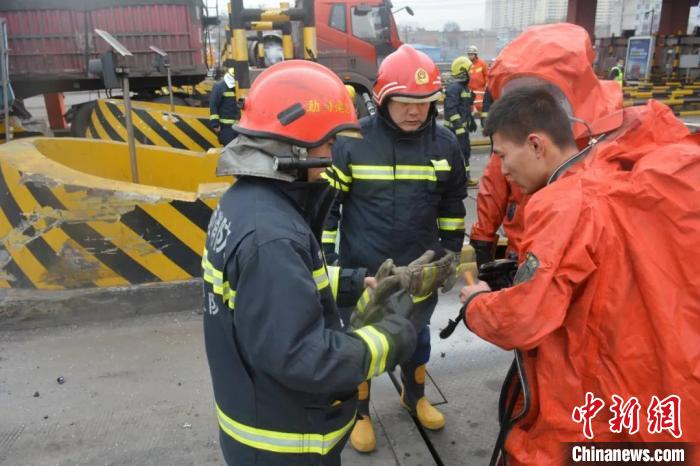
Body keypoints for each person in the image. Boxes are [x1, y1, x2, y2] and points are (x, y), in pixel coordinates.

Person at [459, 23, 700, 466]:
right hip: (667, 393)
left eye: (504, 156)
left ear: (537, 133)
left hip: (591, 402)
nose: (502, 171)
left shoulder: (571, 197)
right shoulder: (656, 156)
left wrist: (475, 304)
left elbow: (527, 316)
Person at [202, 60, 423, 466]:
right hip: (285, 445)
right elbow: (305, 358)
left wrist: (358, 282)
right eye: (328, 143)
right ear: (294, 146)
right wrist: (391, 338)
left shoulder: (249, 202)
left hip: (262, 418)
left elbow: (280, 289)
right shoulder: (271, 236)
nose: (334, 154)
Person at [323, 44, 467, 453]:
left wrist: (450, 253)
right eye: (404, 102)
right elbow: (330, 209)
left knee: (416, 336)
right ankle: (361, 413)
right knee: (361, 341)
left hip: (418, 267)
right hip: (363, 267)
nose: (414, 111)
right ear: (383, 98)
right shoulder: (352, 142)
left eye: (424, 102)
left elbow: (453, 204)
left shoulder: (445, 145)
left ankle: (414, 396)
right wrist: (331, 263)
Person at [444, 55, 479, 187]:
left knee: (465, 152)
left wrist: (470, 120)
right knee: (458, 154)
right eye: (469, 71)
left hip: (461, 130)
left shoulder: (464, 89)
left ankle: (465, 178)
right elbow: (451, 109)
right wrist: (459, 127)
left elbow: (464, 108)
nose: (471, 74)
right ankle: (460, 180)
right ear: (463, 72)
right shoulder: (454, 88)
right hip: (454, 130)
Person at [209, 68, 241, 146]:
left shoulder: (241, 87)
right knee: (229, 149)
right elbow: (213, 105)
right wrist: (215, 124)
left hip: (241, 127)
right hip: (226, 128)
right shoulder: (220, 87)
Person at [467, 45, 489, 114]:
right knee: (469, 107)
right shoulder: (467, 64)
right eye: (469, 54)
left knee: (480, 106)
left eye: (471, 54)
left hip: (480, 90)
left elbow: (487, 76)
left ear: (475, 54)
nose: (470, 56)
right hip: (470, 90)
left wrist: (486, 86)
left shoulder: (482, 63)